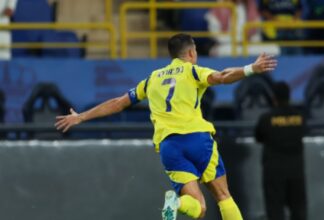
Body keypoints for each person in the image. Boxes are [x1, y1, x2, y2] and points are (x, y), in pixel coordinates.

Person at [55, 33, 277, 220]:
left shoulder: (152, 79)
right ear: (191, 53)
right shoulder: (192, 71)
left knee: (198, 208)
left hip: (170, 146)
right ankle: (180, 204)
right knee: (223, 195)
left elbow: (118, 103)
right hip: (197, 139)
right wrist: (251, 69)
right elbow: (222, 76)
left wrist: (81, 117)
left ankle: (177, 204)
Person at [254, 82, 306, 220]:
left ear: (273, 97)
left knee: (275, 210)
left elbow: (258, 137)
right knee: (298, 210)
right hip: (296, 171)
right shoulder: (299, 117)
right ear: (289, 96)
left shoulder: (266, 119)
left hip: (273, 171)